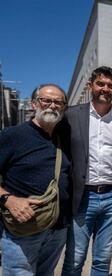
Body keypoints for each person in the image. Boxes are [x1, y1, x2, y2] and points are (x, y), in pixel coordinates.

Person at [62, 66, 112, 276]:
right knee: (75, 258)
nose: (105, 88)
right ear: (91, 86)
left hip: (111, 198)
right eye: (100, 84)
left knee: (103, 259)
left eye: (110, 85)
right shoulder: (71, 116)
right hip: (81, 197)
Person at [0, 84, 71, 276]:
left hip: (57, 229)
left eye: (58, 102)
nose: (52, 105)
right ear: (34, 104)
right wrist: (8, 199)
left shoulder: (64, 137)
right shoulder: (12, 136)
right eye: (46, 100)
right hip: (24, 230)